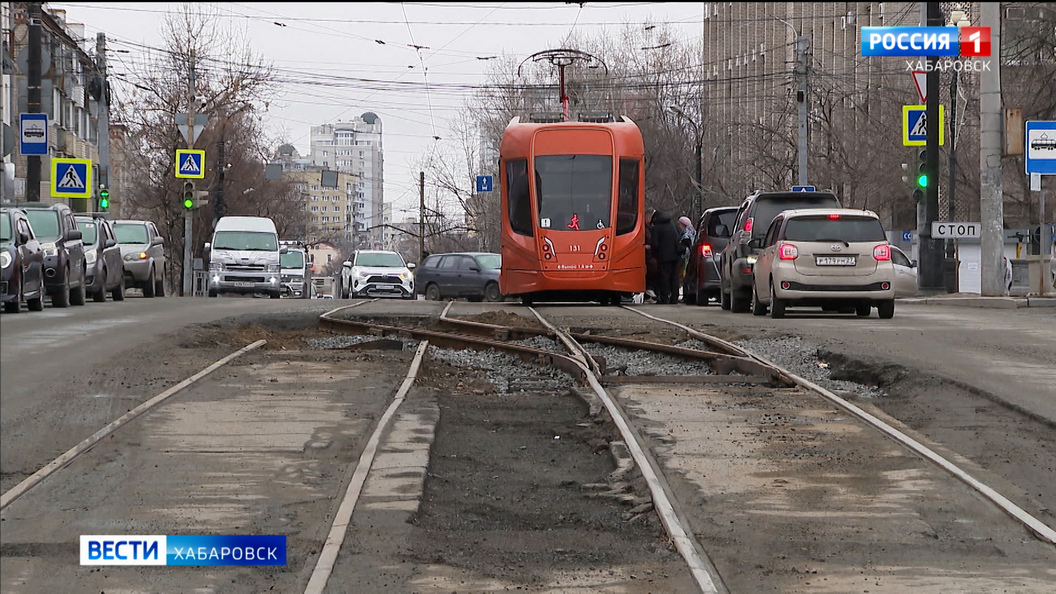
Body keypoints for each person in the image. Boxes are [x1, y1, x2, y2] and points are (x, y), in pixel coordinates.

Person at [649, 210, 681, 304]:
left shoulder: (656, 228)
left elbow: (655, 244)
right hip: (676, 255)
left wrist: (654, 254)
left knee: (664, 277)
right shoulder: (673, 225)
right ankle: (674, 298)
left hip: (663, 256)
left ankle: (664, 297)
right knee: (674, 277)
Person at [677, 215, 696, 301]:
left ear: (683, 224)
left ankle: (687, 295)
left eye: (679, 224)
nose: (679, 226)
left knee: (685, 276)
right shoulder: (693, 231)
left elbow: (685, 246)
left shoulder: (686, 234)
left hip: (686, 258)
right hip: (691, 257)